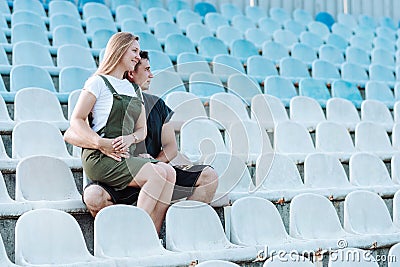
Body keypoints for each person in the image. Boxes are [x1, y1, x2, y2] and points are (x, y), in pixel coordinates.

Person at [82, 51, 218, 219]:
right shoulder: (106, 101)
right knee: (93, 196)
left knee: (208, 176)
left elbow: (170, 148)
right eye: (146, 70)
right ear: (131, 72)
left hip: (157, 172)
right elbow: (79, 132)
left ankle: (177, 230)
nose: (151, 75)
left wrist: (153, 164)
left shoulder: (158, 104)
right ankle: (122, 235)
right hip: (119, 173)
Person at [64, 32, 176, 234]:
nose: (137, 56)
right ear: (119, 50)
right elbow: (76, 120)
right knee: (158, 174)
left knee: (169, 173)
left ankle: (151, 234)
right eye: (133, 51)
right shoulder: (97, 82)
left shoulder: (134, 89)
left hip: (124, 155)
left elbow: (141, 131)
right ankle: (135, 233)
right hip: (101, 157)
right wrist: (100, 143)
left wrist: (130, 138)